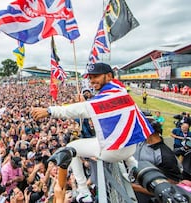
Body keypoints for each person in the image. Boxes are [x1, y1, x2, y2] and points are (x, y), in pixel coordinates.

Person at [31, 63, 153, 202]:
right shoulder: (119, 90)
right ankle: (132, 167)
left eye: (96, 76)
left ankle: (83, 191)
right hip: (130, 148)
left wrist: (49, 111)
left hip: (113, 152)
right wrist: (87, 102)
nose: (92, 81)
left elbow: (78, 110)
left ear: (108, 76)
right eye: (90, 78)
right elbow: (89, 106)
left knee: (70, 149)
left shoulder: (106, 97)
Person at [132, 120, 182, 202]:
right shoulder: (140, 142)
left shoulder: (166, 156)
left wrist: (134, 187)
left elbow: (170, 188)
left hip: (144, 197)